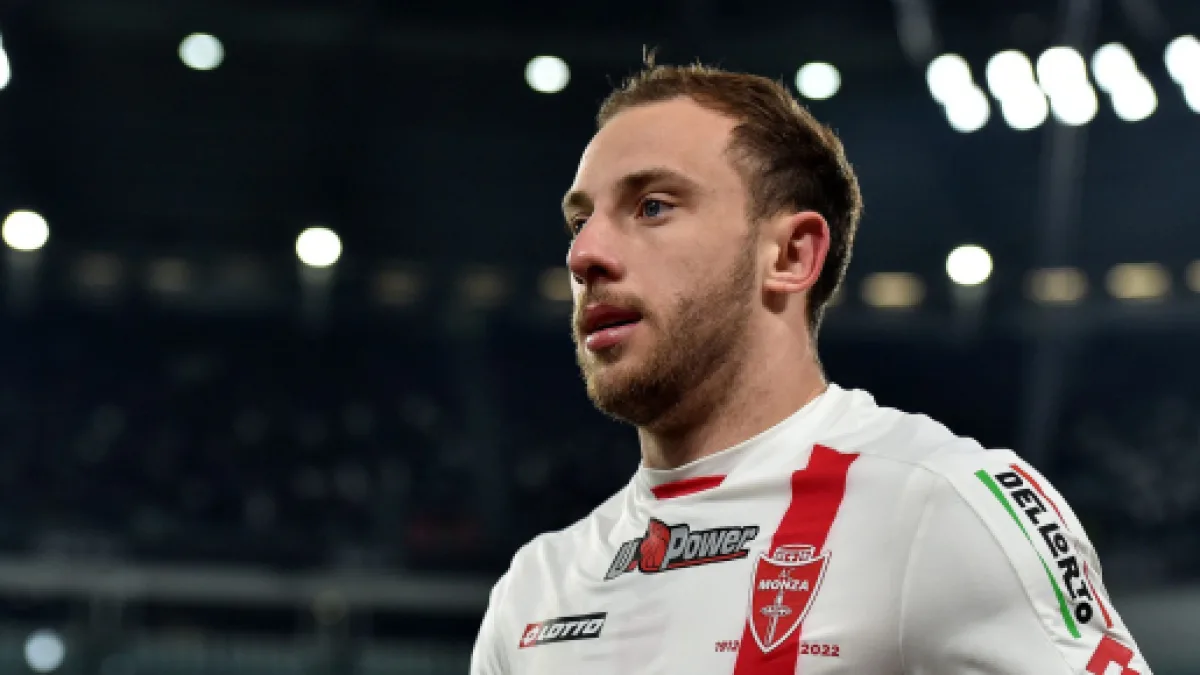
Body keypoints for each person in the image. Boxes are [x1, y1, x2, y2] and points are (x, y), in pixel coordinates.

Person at [470, 60, 1152, 674]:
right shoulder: (535, 591)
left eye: (652, 206)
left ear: (791, 255)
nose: (583, 255)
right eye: (579, 222)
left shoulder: (944, 507)